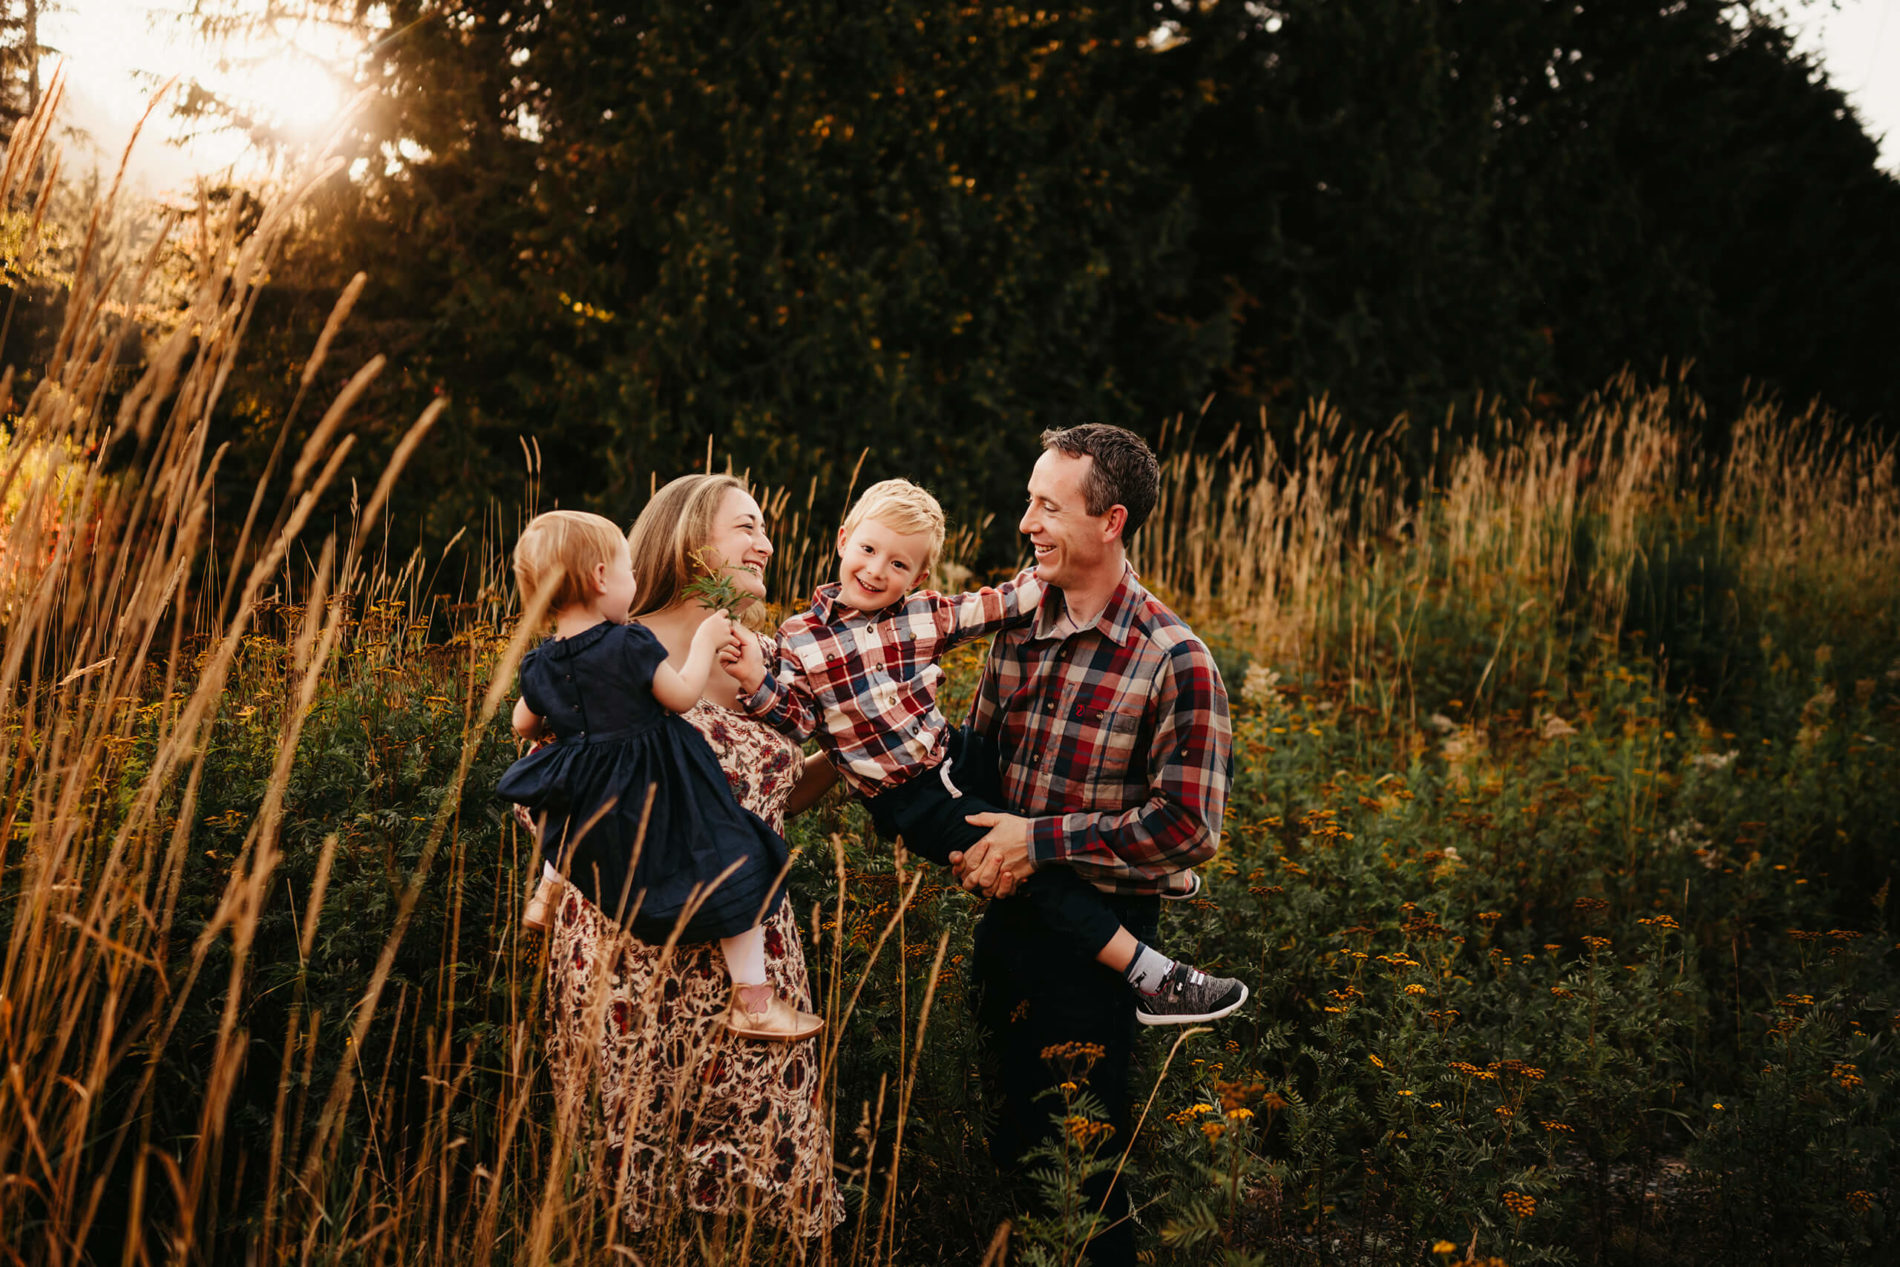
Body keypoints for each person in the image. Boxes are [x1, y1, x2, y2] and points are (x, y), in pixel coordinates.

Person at [725, 478, 1247, 1025]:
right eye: (869, 550)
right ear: (843, 540)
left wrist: (1061, 561)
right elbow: (801, 722)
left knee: (1031, 804)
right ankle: (1154, 977)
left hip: (953, 754)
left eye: (899, 565)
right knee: (1028, 866)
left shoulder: (920, 614)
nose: (877, 571)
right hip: (914, 798)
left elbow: (998, 604)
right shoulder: (798, 638)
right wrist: (757, 680)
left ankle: (1151, 874)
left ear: (919, 577)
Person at [951, 425, 1236, 1266]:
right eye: (1029, 501)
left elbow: (1188, 828)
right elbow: (981, 768)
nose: (1027, 522)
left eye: (1049, 506)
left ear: (1110, 521)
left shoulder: (1174, 659)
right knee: (1013, 1153)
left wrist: (1039, 840)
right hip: (1003, 928)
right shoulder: (1016, 629)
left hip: (1099, 955)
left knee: (1083, 1178)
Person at [537, 477, 845, 1241]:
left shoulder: (766, 663)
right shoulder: (606, 650)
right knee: (637, 1200)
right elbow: (553, 789)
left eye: (766, 527)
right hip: (627, 953)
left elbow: (774, 800)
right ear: (689, 540)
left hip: (750, 958)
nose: (766, 543)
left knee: (760, 1184)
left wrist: (851, 748)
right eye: (747, 526)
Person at [498, 509, 823, 1041]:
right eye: (626, 571)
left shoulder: (539, 663)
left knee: (575, 814)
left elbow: (521, 723)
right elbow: (679, 697)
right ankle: (756, 1005)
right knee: (739, 870)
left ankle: (545, 895)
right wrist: (703, 644)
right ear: (602, 577)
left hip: (596, 803)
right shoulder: (630, 644)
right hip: (663, 785)